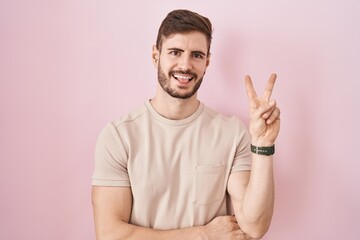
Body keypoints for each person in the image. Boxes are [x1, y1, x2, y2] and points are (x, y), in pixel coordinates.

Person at [92, 9, 280, 240]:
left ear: (207, 62)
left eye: (197, 55)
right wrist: (202, 235)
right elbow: (110, 234)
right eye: (175, 52)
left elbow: (254, 227)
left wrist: (262, 146)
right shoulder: (119, 137)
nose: (185, 65)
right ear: (155, 56)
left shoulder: (232, 133)